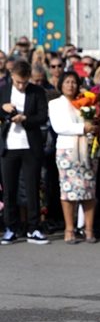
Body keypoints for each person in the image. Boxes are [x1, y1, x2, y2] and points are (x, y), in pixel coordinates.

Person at [0, 60, 49, 245]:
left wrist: (25, 118)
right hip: (9, 146)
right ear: (12, 76)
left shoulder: (37, 92)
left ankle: (34, 228)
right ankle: (11, 228)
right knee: (9, 189)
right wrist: (3, 109)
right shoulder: (3, 90)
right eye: (18, 82)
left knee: (32, 188)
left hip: (30, 146)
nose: (21, 85)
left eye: (25, 82)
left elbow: (43, 116)